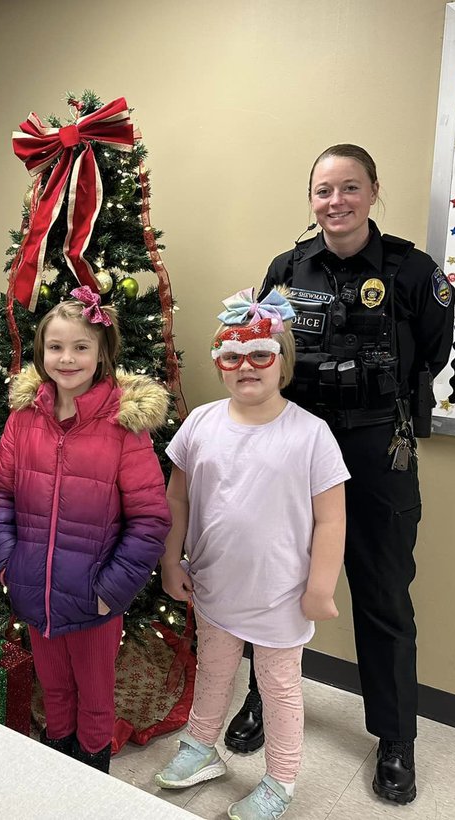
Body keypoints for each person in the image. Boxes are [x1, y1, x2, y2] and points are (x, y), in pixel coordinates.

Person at [223, 145, 454, 805]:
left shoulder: (413, 271)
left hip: (377, 451)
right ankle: (264, 702)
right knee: (276, 586)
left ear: (374, 191)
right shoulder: (287, 269)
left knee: (383, 599)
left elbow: (432, 353)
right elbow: (264, 348)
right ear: (311, 199)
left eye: (349, 188)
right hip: (295, 450)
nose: (335, 202)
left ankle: (395, 738)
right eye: (323, 191)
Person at [153, 289, 348, 820]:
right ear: (219, 364)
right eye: (231, 356)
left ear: (282, 361)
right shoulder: (201, 424)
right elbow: (177, 496)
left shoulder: (311, 435)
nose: (246, 367)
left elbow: (333, 519)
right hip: (216, 584)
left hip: (282, 595)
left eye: (260, 354)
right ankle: (200, 746)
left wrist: (320, 587)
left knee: (279, 687)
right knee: (213, 669)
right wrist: (172, 559)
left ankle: (281, 781)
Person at [0, 287, 172, 773]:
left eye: (81, 347)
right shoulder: (24, 419)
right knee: (55, 689)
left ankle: (91, 773)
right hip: (35, 591)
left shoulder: (124, 428)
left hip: (94, 600)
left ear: (102, 354)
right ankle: (58, 769)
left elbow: (150, 520)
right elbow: (0, 495)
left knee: (94, 697)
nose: (67, 359)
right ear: (41, 352)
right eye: (55, 347)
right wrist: (8, 567)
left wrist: (111, 590)